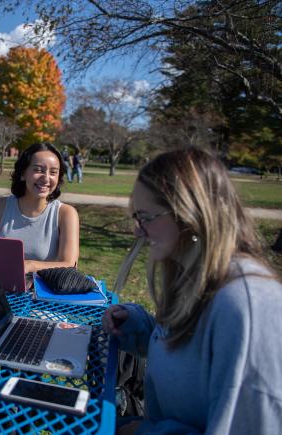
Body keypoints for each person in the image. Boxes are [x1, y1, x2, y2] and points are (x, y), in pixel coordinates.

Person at [102, 148, 282, 434]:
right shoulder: (192, 278)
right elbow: (191, 358)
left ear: (189, 214)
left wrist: (141, 432)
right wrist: (136, 325)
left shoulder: (247, 306)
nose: (138, 231)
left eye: (145, 217)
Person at [0, 142, 79, 275]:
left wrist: (29, 265)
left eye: (53, 172)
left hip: (46, 292)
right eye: (38, 170)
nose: (46, 178)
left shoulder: (66, 214)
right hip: (1, 288)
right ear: (22, 173)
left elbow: (69, 264)